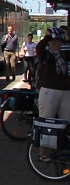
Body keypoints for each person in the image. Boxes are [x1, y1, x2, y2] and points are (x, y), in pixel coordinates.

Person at [34, 28, 70, 157]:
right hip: (49, 91)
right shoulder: (46, 54)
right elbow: (39, 48)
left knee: (66, 122)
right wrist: (47, 37)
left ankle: (61, 148)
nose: (57, 44)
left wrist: (66, 38)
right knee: (46, 121)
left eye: (59, 42)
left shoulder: (65, 53)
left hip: (66, 91)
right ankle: (42, 152)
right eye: (54, 42)